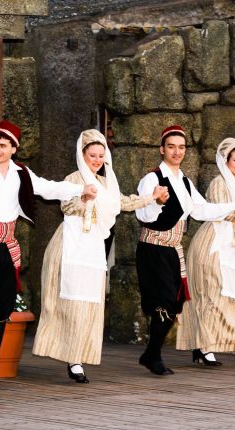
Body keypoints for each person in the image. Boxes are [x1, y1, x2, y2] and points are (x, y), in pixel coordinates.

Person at [0, 120, 97, 393]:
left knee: (1, 310)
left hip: (3, 246)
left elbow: (50, 188)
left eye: (3, 145)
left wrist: (80, 189)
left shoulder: (21, 173)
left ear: (14, 148)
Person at [32, 129, 166, 383]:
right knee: (69, 304)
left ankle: (78, 358)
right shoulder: (73, 178)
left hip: (93, 248)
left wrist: (152, 197)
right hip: (70, 246)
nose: (96, 160)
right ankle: (70, 357)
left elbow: (122, 202)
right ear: (82, 155)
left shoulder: (106, 183)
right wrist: (82, 196)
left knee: (88, 304)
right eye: (91, 155)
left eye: (100, 156)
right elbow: (66, 206)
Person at [135, 125, 235, 376]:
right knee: (163, 302)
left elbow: (201, 210)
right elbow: (142, 214)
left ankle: (151, 354)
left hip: (173, 249)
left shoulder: (184, 181)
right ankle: (152, 356)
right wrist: (156, 201)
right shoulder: (152, 179)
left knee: (173, 304)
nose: (177, 152)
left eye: (181, 147)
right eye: (172, 147)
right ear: (161, 149)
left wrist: (234, 206)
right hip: (153, 247)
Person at [177, 138, 235, 364]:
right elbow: (219, 212)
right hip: (213, 243)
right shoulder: (219, 183)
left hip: (230, 245)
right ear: (225, 162)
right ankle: (208, 347)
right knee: (210, 294)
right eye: (234, 160)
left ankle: (211, 346)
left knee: (223, 296)